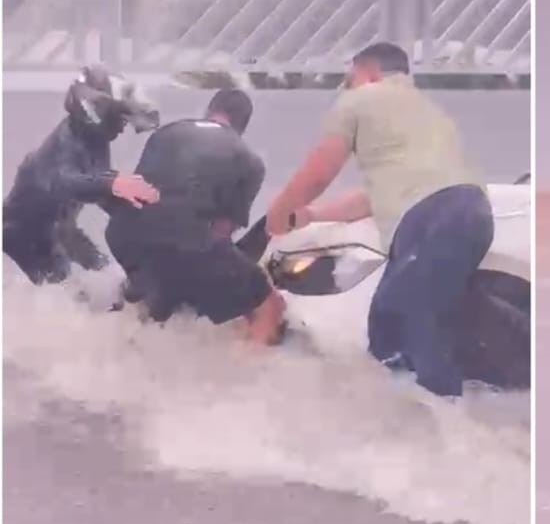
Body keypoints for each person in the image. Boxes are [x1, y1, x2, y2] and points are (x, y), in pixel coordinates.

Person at [265, 42, 491, 397]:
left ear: (367, 71)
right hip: (472, 212)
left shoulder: (359, 99)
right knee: (394, 320)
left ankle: (437, 425)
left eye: (349, 77)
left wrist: (277, 213)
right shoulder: (432, 114)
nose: (346, 86)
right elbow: (382, 195)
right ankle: (430, 415)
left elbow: (318, 172)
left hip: (431, 219)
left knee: (408, 324)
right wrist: (310, 215)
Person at [104, 89, 285, 343]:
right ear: (243, 125)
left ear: (209, 110)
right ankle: (244, 378)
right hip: (186, 242)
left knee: (160, 298)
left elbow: (138, 194)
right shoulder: (249, 159)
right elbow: (221, 233)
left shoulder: (166, 133)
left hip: (122, 235)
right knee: (270, 307)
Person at [2, 66, 161, 285]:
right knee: (66, 297)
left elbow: (97, 189)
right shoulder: (63, 142)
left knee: (111, 277)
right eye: (119, 120)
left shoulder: (96, 141)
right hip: (25, 236)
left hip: (62, 232)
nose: (122, 129)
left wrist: (145, 208)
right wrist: (112, 183)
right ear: (95, 110)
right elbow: (65, 183)